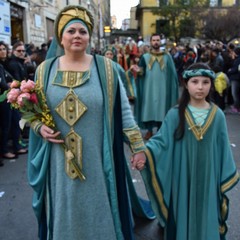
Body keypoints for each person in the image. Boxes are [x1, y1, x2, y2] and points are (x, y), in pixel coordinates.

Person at [27, 5, 154, 240]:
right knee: (63, 207)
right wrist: (38, 127)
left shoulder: (106, 69)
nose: (77, 35)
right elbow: (33, 112)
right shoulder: (44, 70)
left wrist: (138, 148)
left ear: (89, 37)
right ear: (60, 38)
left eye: (82, 32)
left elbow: (124, 113)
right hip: (58, 162)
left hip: (99, 160)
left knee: (100, 206)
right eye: (71, 31)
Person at [131, 62, 239, 240]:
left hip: (208, 179)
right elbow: (161, 142)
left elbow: (223, 150)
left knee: (207, 211)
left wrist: (223, 178)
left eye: (205, 82)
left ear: (211, 85)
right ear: (186, 84)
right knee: (182, 211)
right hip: (182, 179)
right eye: (195, 82)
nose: (200, 87)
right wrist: (144, 153)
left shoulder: (218, 115)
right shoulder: (175, 114)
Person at [134, 33, 179, 140]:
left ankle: (161, 130)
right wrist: (137, 70)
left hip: (163, 89)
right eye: (153, 40)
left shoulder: (167, 57)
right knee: (149, 108)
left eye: (157, 40)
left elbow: (172, 74)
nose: (156, 42)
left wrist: (172, 88)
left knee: (162, 108)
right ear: (150, 42)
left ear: (160, 42)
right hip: (148, 89)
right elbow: (141, 72)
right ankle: (149, 131)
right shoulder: (145, 57)